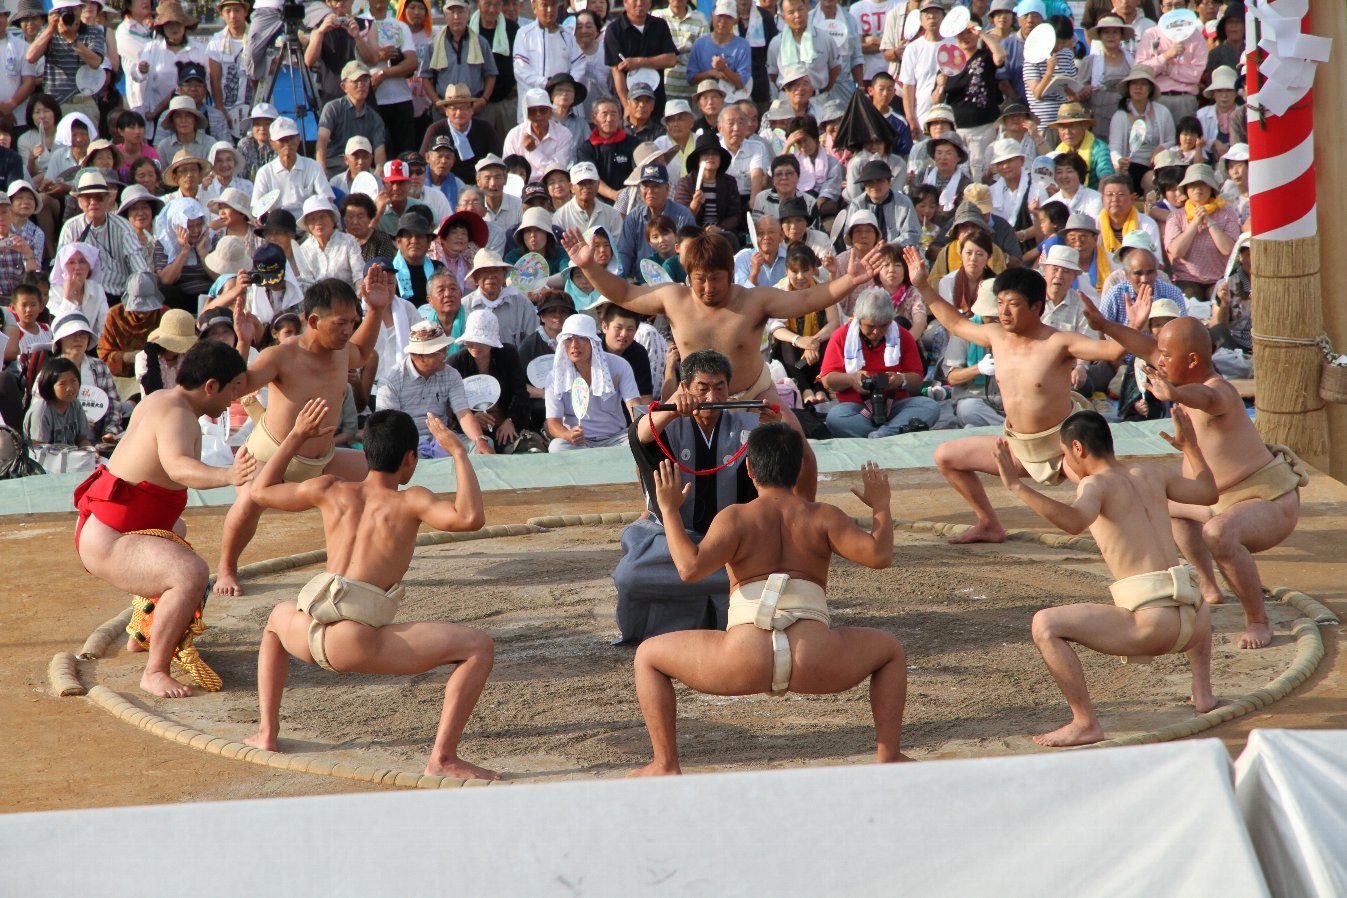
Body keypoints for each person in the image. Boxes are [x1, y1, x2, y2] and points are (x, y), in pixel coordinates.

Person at [243, 399, 499, 780]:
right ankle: (442, 758)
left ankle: (266, 731)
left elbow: (260, 492)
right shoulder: (411, 500)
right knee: (478, 647)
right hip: (354, 644)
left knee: (276, 618)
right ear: (410, 459)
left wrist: (296, 434)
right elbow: (471, 518)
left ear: (366, 454)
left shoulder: (330, 488)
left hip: (302, 632)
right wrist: (459, 452)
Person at [630, 424, 908, 775]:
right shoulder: (823, 516)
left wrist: (668, 510)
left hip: (742, 658)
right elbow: (879, 556)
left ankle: (665, 764)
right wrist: (881, 506)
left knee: (648, 657)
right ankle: (889, 755)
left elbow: (689, 568)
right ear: (800, 469)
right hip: (817, 659)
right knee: (890, 651)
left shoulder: (735, 518)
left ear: (748, 468)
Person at [1080, 297, 1305, 650]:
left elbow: (1203, 397)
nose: (1159, 360)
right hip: (1219, 498)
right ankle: (1208, 586)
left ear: (1193, 360)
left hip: (1267, 500)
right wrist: (1105, 325)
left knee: (1218, 534)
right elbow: (1145, 347)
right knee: (1166, 505)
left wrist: (1176, 392)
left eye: (1166, 356)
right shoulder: (1177, 368)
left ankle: (1258, 619)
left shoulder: (1220, 392)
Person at [993, 407, 1217, 746]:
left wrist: (1015, 486)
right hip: (1198, 621)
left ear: (1078, 449)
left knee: (1045, 624)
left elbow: (1072, 522)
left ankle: (1084, 721)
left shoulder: (1095, 485)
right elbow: (1207, 493)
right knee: (1183, 586)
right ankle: (1203, 692)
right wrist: (1190, 448)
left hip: (1152, 626)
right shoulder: (1152, 472)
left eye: (1065, 453)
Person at [904, 247, 1127, 543]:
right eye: (1000, 303)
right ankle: (988, 524)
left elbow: (1114, 351)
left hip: (1064, 449)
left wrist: (1127, 325)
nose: (1004, 312)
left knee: (1105, 494)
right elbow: (955, 323)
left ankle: (1140, 529)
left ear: (1036, 307)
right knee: (946, 456)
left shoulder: (1058, 343)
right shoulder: (996, 336)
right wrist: (922, 285)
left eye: (1014, 304)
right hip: (1018, 448)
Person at [74, 340, 254, 697]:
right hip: (109, 539)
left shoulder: (160, 399)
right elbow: (178, 467)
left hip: (112, 527)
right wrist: (230, 475)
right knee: (190, 573)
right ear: (210, 386)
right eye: (232, 390)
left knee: (177, 532)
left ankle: (143, 631)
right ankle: (154, 671)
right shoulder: (178, 415)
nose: (233, 399)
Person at [213, 273, 394, 596]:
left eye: (353, 322)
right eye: (341, 323)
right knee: (248, 504)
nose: (348, 331)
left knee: (381, 472)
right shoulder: (281, 355)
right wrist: (242, 343)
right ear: (313, 320)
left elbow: (363, 354)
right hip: (269, 455)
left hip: (321, 459)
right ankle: (226, 567)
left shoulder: (341, 351)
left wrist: (376, 311)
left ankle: (367, 553)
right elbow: (239, 386)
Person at [820, 288, 940, 438]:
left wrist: (899, 379)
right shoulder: (841, 336)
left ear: (890, 320)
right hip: (857, 408)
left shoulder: (903, 336)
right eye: (870, 326)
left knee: (930, 407)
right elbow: (827, 380)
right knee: (835, 417)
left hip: (894, 404)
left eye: (883, 326)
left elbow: (917, 379)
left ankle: (881, 435)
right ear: (857, 318)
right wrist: (851, 379)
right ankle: (891, 433)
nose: (876, 332)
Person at [544, 313, 643, 451]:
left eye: (581, 338)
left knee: (640, 444)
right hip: (578, 442)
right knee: (557, 447)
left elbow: (634, 406)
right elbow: (553, 422)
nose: (574, 345)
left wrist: (641, 432)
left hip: (617, 438)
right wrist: (567, 434)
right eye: (568, 339)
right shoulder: (555, 377)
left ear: (593, 342)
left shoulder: (619, 365)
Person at [315, 61, 389, 176]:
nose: (361, 84)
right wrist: (322, 173)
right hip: (333, 169)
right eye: (356, 81)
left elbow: (380, 152)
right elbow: (322, 141)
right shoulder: (332, 108)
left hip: (362, 170)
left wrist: (378, 175)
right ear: (343, 86)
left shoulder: (375, 118)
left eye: (365, 80)